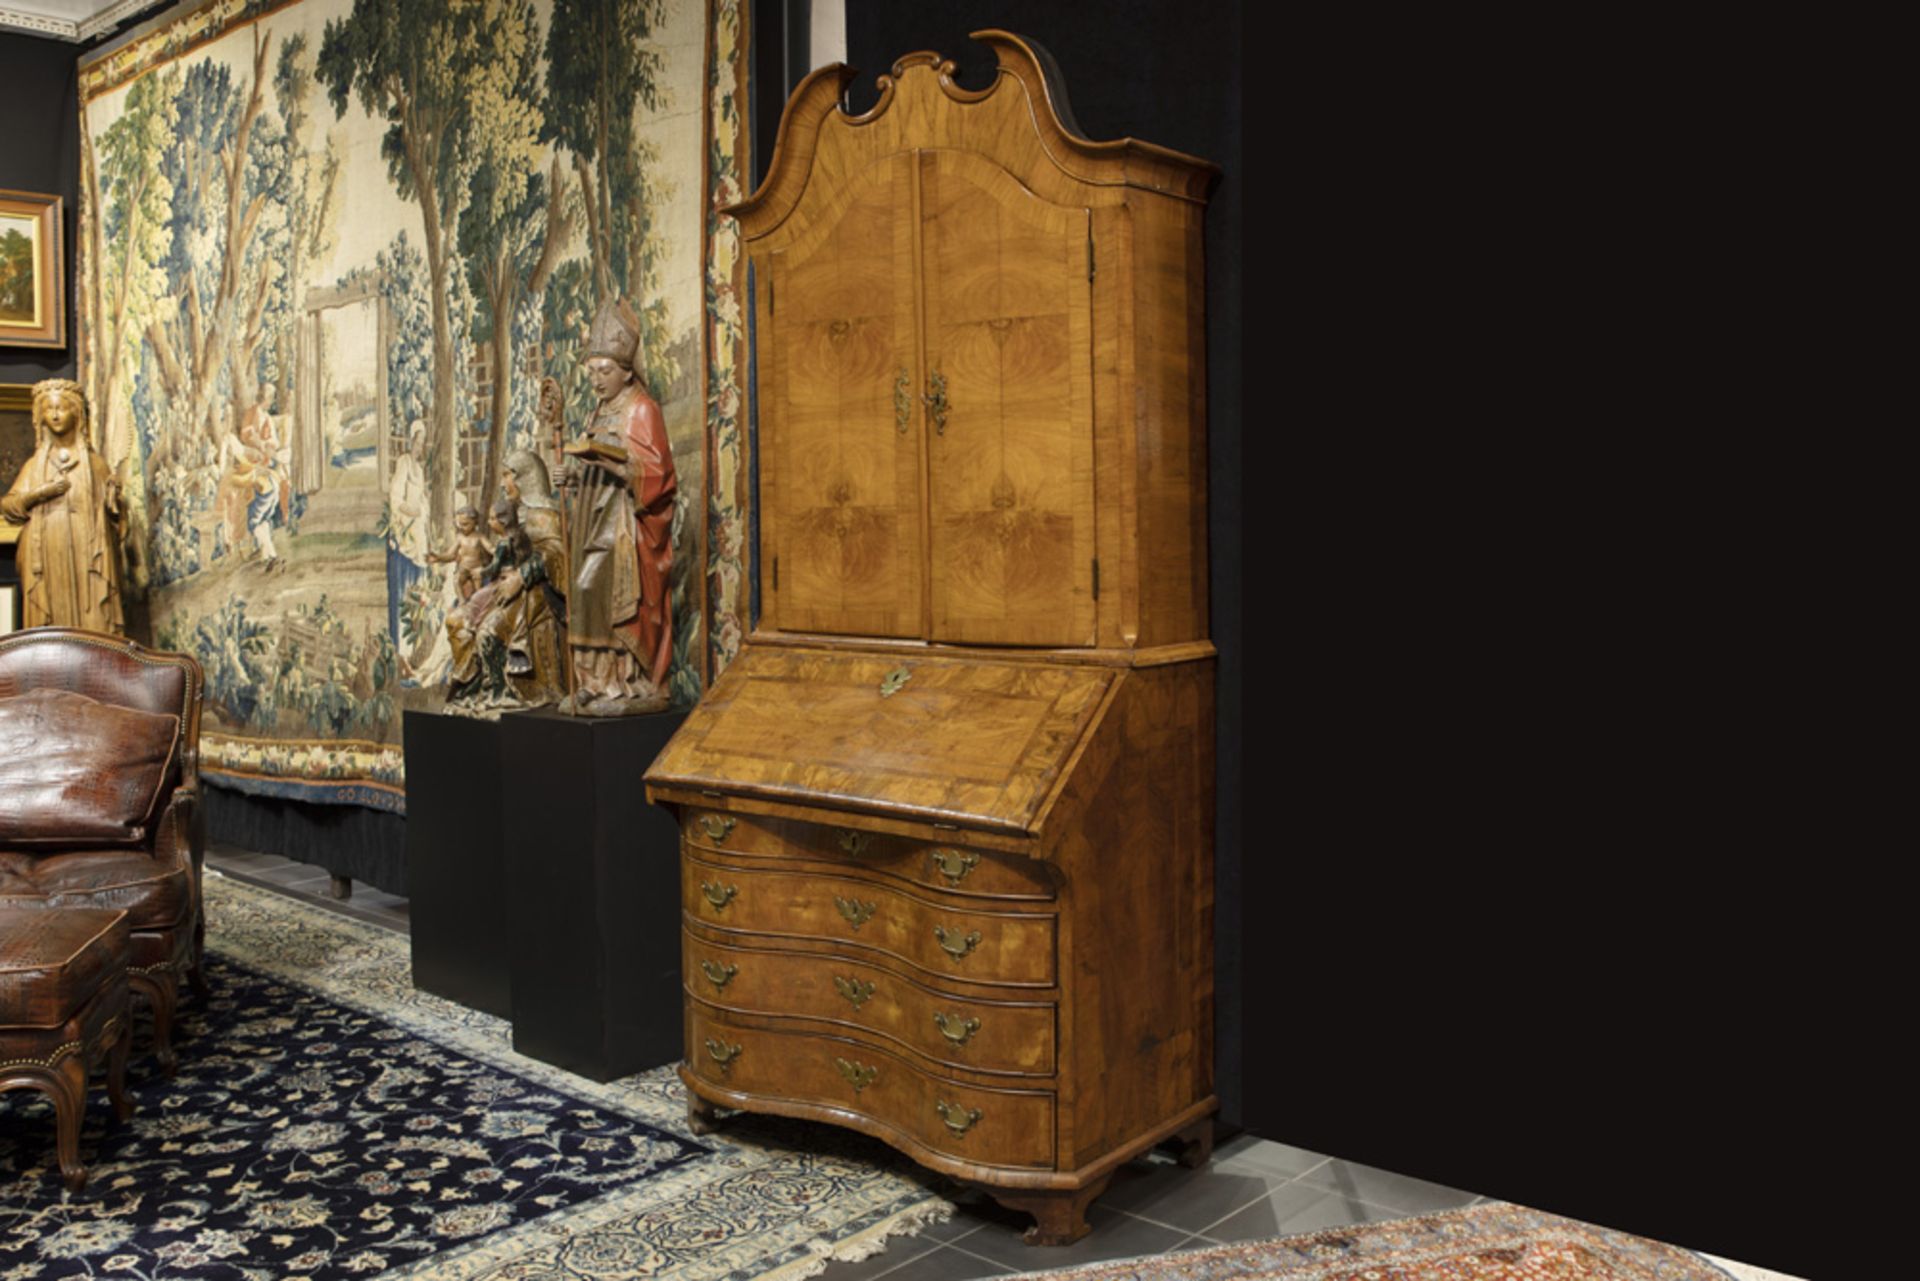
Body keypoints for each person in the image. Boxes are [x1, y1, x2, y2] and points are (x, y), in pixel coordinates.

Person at [560, 297, 676, 715]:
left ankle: (624, 683)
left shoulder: (641, 409)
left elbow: (659, 475)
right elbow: (592, 466)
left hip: (625, 525)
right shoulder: (598, 410)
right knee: (584, 589)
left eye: (604, 371)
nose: (596, 380)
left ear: (627, 371)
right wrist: (572, 476)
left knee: (605, 589)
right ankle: (592, 681)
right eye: (592, 372)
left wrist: (617, 467)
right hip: (595, 519)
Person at [0, 379, 125, 632]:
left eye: (61, 408)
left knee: (93, 616)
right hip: (47, 547)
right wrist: (38, 494)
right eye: (49, 409)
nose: (55, 415)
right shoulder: (35, 466)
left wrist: (113, 500)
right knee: (51, 617)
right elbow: (9, 504)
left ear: (76, 413)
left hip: (86, 548)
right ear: (41, 417)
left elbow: (114, 518)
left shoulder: (94, 464)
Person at [385, 420, 429, 652]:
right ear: (410, 440)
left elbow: (421, 500)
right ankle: (400, 651)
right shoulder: (403, 463)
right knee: (402, 595)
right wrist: (410, 511)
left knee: (417, 596)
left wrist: (422, 510)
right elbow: (395, 498)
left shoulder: (419, 469)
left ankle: (413, 651)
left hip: (418, 536)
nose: (419, 447)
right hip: (404, 538)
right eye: (417, 441)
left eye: (422, 443)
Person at [427, 504, 491, 600]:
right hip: (464, 568)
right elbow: (450, 554)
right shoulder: (460, 538)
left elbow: (490, 547)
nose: (461, 527)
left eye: (465, 524)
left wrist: (496, 551)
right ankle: (462, 602)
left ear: (475, 522)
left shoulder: (479, 537)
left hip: (477, 568)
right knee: (457, 580)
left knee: (479, 589)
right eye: (459, 524)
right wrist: (438, 557)